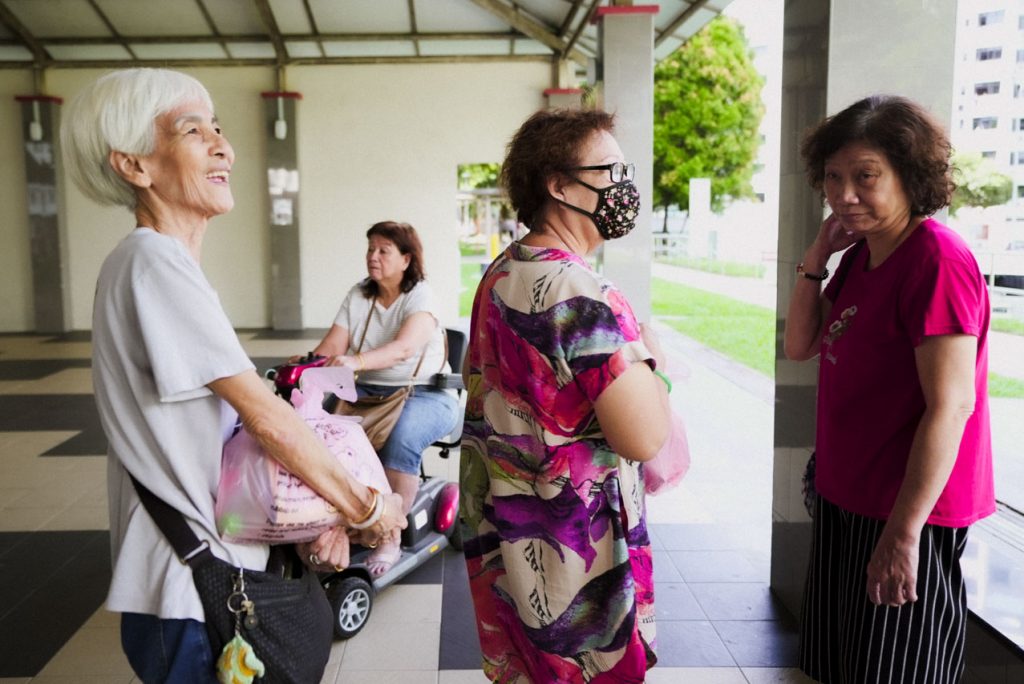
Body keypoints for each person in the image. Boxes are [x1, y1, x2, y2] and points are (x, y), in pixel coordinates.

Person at [61, 68, 405, 683]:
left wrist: (320, 519)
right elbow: (266, 421)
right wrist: (365, 508)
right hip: (189, 595)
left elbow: (221, 455)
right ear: (135, 166)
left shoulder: (161, 265)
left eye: (218, 128)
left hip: (203, 578)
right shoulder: (152, 261)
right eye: (194, 131)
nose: (225, 147)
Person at [784, 95, 995, 683]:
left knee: (896, 672)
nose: (844, 194)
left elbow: (951, 407)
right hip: (848, 501)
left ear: (910, 175)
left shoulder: (936, 260)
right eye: (833, 176)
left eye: (865, 176)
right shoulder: (864, 256)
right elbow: (799, 345)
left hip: (907, 514)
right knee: (845, 667)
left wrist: (903, 535)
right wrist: (816, 258)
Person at [459, 108, 672, 682]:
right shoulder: (580, 289)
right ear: (558, 184)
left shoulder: (502, 272)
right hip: (576, 552)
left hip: (512, 542)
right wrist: (657, 367)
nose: (623, 186)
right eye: (610, 171)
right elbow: (643, 435)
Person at [309, 220, 460, 576]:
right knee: (324, 435)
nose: (372, 257)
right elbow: (332, 345)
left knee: (401, 438)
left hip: (427, 392)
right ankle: (343, 519)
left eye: (383, 251)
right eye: (370, 249)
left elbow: (403, 348)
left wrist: (356, 361)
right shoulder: (359, 295)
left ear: (406, 259)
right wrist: (306, 365)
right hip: (368, 393)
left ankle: (390, 533)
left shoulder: (421, 295)